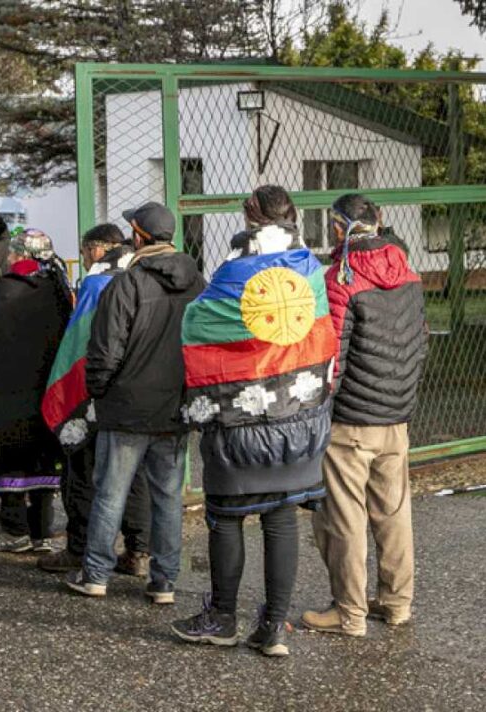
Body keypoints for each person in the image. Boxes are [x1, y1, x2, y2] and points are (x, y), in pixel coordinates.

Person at [170, 185, 337, 657]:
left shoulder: (233, 271)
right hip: (298, 421)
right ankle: (274, 628)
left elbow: (200, 323)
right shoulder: (311, 272)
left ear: (249, 218)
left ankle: (222, 617)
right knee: (281, 519)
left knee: (226, 519)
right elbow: (320, 333)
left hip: (239, 421)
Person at [302, 193, 428, 636]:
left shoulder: (341, 277)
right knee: (394, 513)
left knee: (343, 516)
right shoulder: (409, 272)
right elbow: (421, 343)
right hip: (397, 417)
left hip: (352, 422)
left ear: (338, 229)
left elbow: (331, 357)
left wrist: (320, 410)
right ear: (380, 221)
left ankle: (349, 612)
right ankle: (397, 604)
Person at [65, 202, 204, 602]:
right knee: (167, 496)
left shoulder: (126, 283)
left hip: (126, 406)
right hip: (175, 406)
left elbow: (104, 350)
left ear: (139, 236)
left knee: (110, 492)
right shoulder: (197, 283)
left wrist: (99, 391)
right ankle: (164, 581)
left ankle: (96, 574)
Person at [38, 223, 151, 576]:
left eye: (86, 251)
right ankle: (138, 551)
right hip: (135, 391)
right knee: (133, 474)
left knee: (81, 471)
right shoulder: (144, 278)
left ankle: (80, 547)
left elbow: (78, 345)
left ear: (98, 249)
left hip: (92, 394)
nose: (85, 258)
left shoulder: (96, 284)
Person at [0, 229, 73, 553]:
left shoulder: (10, 289)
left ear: (20, 255)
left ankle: (13, 528)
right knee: (43, 460)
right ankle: (42, 533)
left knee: (9, 457)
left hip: (9, 394)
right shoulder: (58, 288)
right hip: (46, 392)